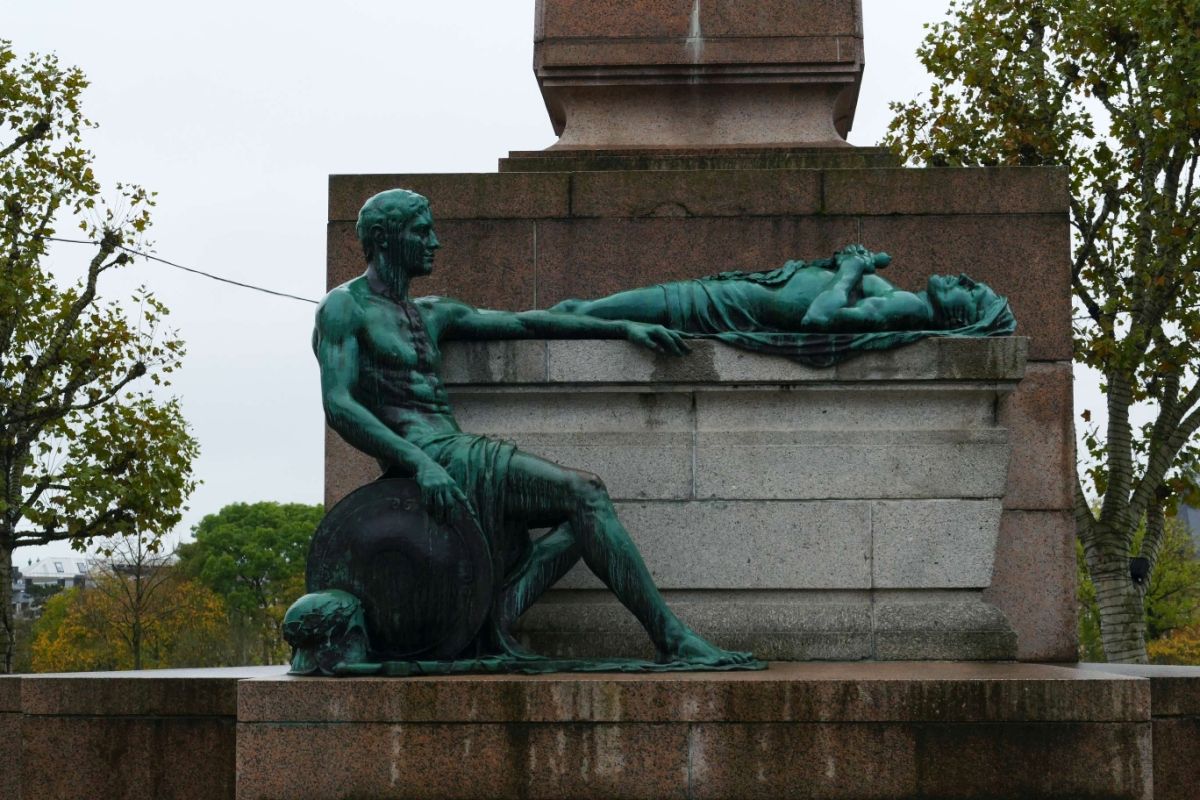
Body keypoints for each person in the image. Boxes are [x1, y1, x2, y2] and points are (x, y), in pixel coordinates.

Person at [313, 188, 752, 667]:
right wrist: (419, 463)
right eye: (422, 231)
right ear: (383, 237)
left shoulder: (431, 312)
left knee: (580, 520)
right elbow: (339, 404)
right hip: (434, 460)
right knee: (586, 494)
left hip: (457, 456)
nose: (435, 242)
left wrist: (621, 328)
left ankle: (492, 617)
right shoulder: (344, 307)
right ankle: (673, 639)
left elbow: (527, 323)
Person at [549, 244, 1016, 367]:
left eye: (973, 291)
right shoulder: (900, 298)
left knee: (584, 311)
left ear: (962, 318)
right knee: (584, 309)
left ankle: (511, 325)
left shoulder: (906, 311)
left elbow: (819, 319)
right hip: (736, 294)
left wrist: (851, 270)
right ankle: (515, 323)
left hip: (725, 308)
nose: (965, 279)